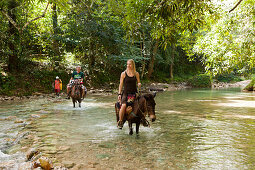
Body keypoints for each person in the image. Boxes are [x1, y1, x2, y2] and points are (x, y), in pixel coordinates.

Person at [117, 59, 147, 129]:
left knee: (143, 103)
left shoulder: (136, 73)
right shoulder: (123, 74)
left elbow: (138, 82)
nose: (128, 65)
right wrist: (119, 94)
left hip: (134, 93)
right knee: (124, 105)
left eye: (130, 64)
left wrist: (139, 84)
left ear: (133, 65)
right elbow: (120, 85)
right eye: (127, 64)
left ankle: (143, 119)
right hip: (125, 93)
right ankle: (120, 121)